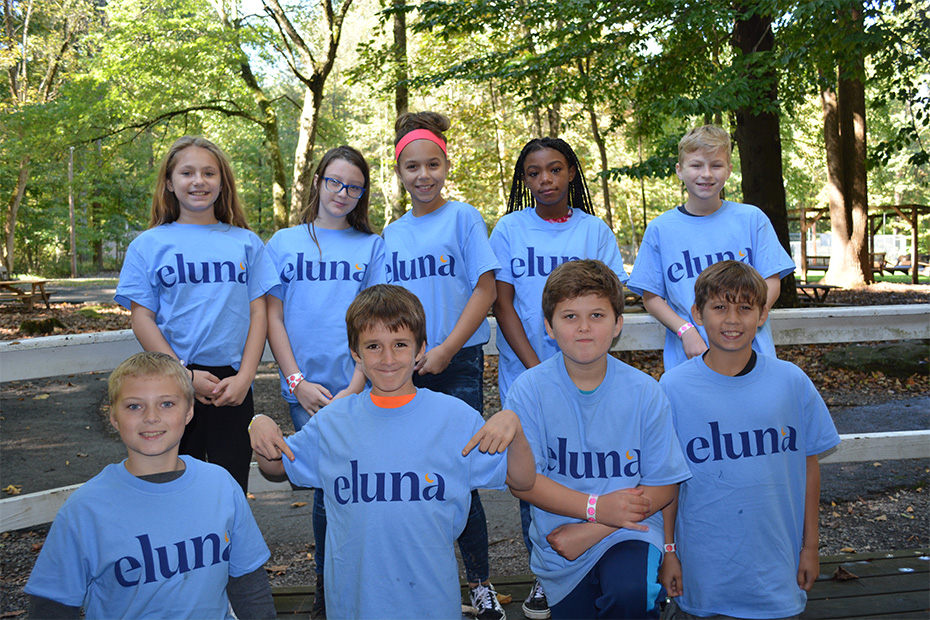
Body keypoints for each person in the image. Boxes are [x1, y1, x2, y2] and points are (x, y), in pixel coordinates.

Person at [249, 284, 536, 619]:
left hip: (432, 604)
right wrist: (258, 423)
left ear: (420, 348)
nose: (387, 359)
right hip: (352, 607)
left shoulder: (455, 419)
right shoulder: (332, 423)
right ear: (355, 353)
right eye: (373, 346)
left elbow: (523, 478)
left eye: (400, 344)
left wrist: (512, 424)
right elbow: (275, 467)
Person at [504, 260, 692, 619]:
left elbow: (665, 485)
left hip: (630, 534)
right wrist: (595, 508)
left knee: (630, 594)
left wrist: (599, 524)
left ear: (618, 323)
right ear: (549, 326)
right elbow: (524, 484)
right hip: (560, 542)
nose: (584, 328)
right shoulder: (529, 391)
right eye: (570, 317)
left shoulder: (644, 392)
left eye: (597, 315)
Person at [24, 352, 275, 620]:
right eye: (134, 406)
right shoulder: (85, 509)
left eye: (167, 404)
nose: (151, 417)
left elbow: (249, 585)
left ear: (189, 410)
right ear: (113, 417)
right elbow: (52, 607)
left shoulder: (221, 485)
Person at [489, 137, 628, 618]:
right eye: (533, 172)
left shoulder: (594, 232)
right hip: (527, 375)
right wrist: (537, 368)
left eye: (554, 169)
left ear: (571, 172)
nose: (544, 179)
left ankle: (600, 557)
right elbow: (502, 303)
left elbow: (611, 299)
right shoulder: (508, 229)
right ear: (523, 180)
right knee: (534, 474)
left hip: (588, 372)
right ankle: (546, 575)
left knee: (585, 461)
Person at [658, 260, 840, 619]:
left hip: (775, 569)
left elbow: (809, 466)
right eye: (720, 307)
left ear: (762, 314)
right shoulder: (673, 388)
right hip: (705, 571)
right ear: (697, 313)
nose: (732, 319)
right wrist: (668, 551)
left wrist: (811, 547)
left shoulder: (791, 382)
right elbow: (666, 480)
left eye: (745, 308)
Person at [382, 110, 506, 618]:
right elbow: (382, 306)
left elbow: (486, 288)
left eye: (433, 164)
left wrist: (448, 348)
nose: (423, 175)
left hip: (455, 362)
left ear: (446, 165)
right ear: (399, 172)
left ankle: (479, 582)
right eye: (412, 167)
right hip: (401, 368)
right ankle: (418, 580)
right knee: (408, 473)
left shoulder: (464, 218)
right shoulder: (390, 234)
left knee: (456, 472)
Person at [115, 136, 277, 493]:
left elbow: (259, 314)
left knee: (230, 486)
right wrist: (183, 375)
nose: (198, 181)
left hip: (231, 384)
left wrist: (246, 377)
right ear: (170, 183)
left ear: (223, 183)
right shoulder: (148, 245)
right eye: (187, 172)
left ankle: (225, 548)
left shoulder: (246, 243)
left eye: (209, 173)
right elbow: (142, 318)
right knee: (170, 483)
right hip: (171, 381)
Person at [265, 145, 385, 618]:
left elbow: (375, 322)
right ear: (318, 181)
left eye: (354, 187)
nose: (342, 193)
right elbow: (272, 315)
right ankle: (327, 588)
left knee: (362, 485)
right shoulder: (283, 242)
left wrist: (356, 387)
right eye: (334, 181)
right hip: (307, 391)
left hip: (361, 386)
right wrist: (296, 382)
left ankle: (365, 581)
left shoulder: (371, 246)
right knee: (327, 487)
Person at [627, 125, 795, 371]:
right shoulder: (661, 229)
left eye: (716, 165)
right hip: (692, 357)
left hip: (751, 354)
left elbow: (772, 281)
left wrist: (746, 322)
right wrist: (685, 331)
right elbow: (651, 296)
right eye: (696, 165)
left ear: (728, 170)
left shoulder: (752, 220)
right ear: (680, 170)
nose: (706, 174)